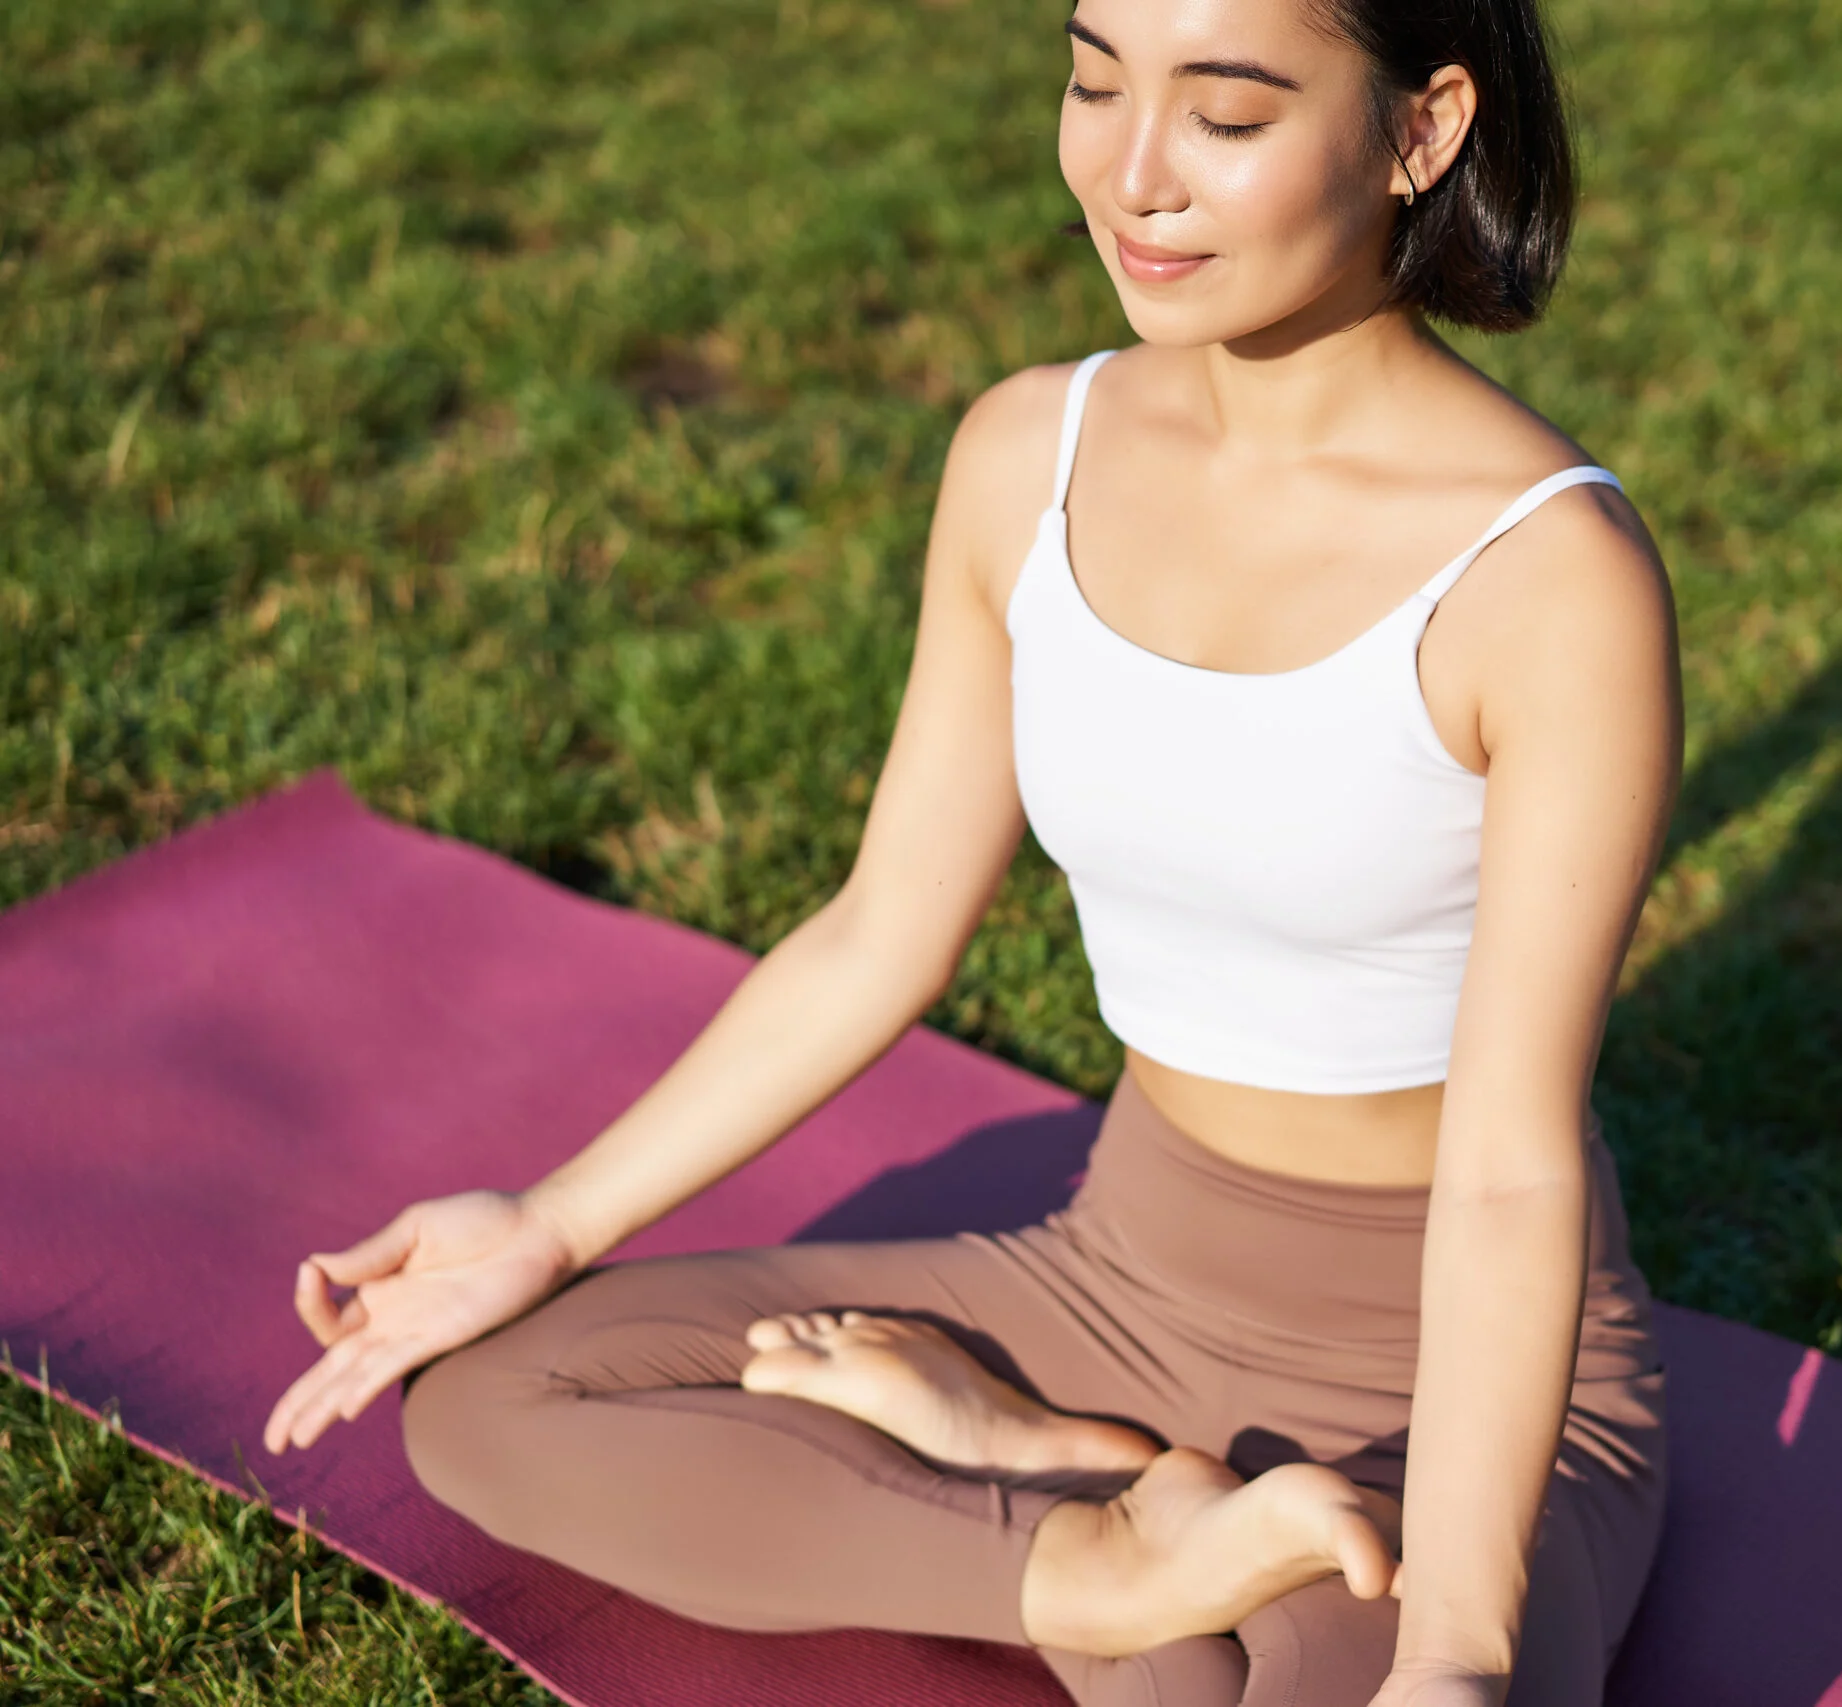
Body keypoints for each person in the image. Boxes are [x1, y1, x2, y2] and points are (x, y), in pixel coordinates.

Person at [260, 0, 1683, 1702]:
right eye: (1095, 84)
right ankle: (1086, 1544)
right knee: (499, 1400)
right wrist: (547, 1228)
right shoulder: (1031, 454)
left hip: (1445, 1352)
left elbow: (1515, 1166)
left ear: (1421, 131)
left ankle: (1059, 1472)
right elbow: (879, 931)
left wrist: (1458, 1650)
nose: (1129, 173)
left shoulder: (1545, 575)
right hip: (1116, 1265)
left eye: (1224, 115)